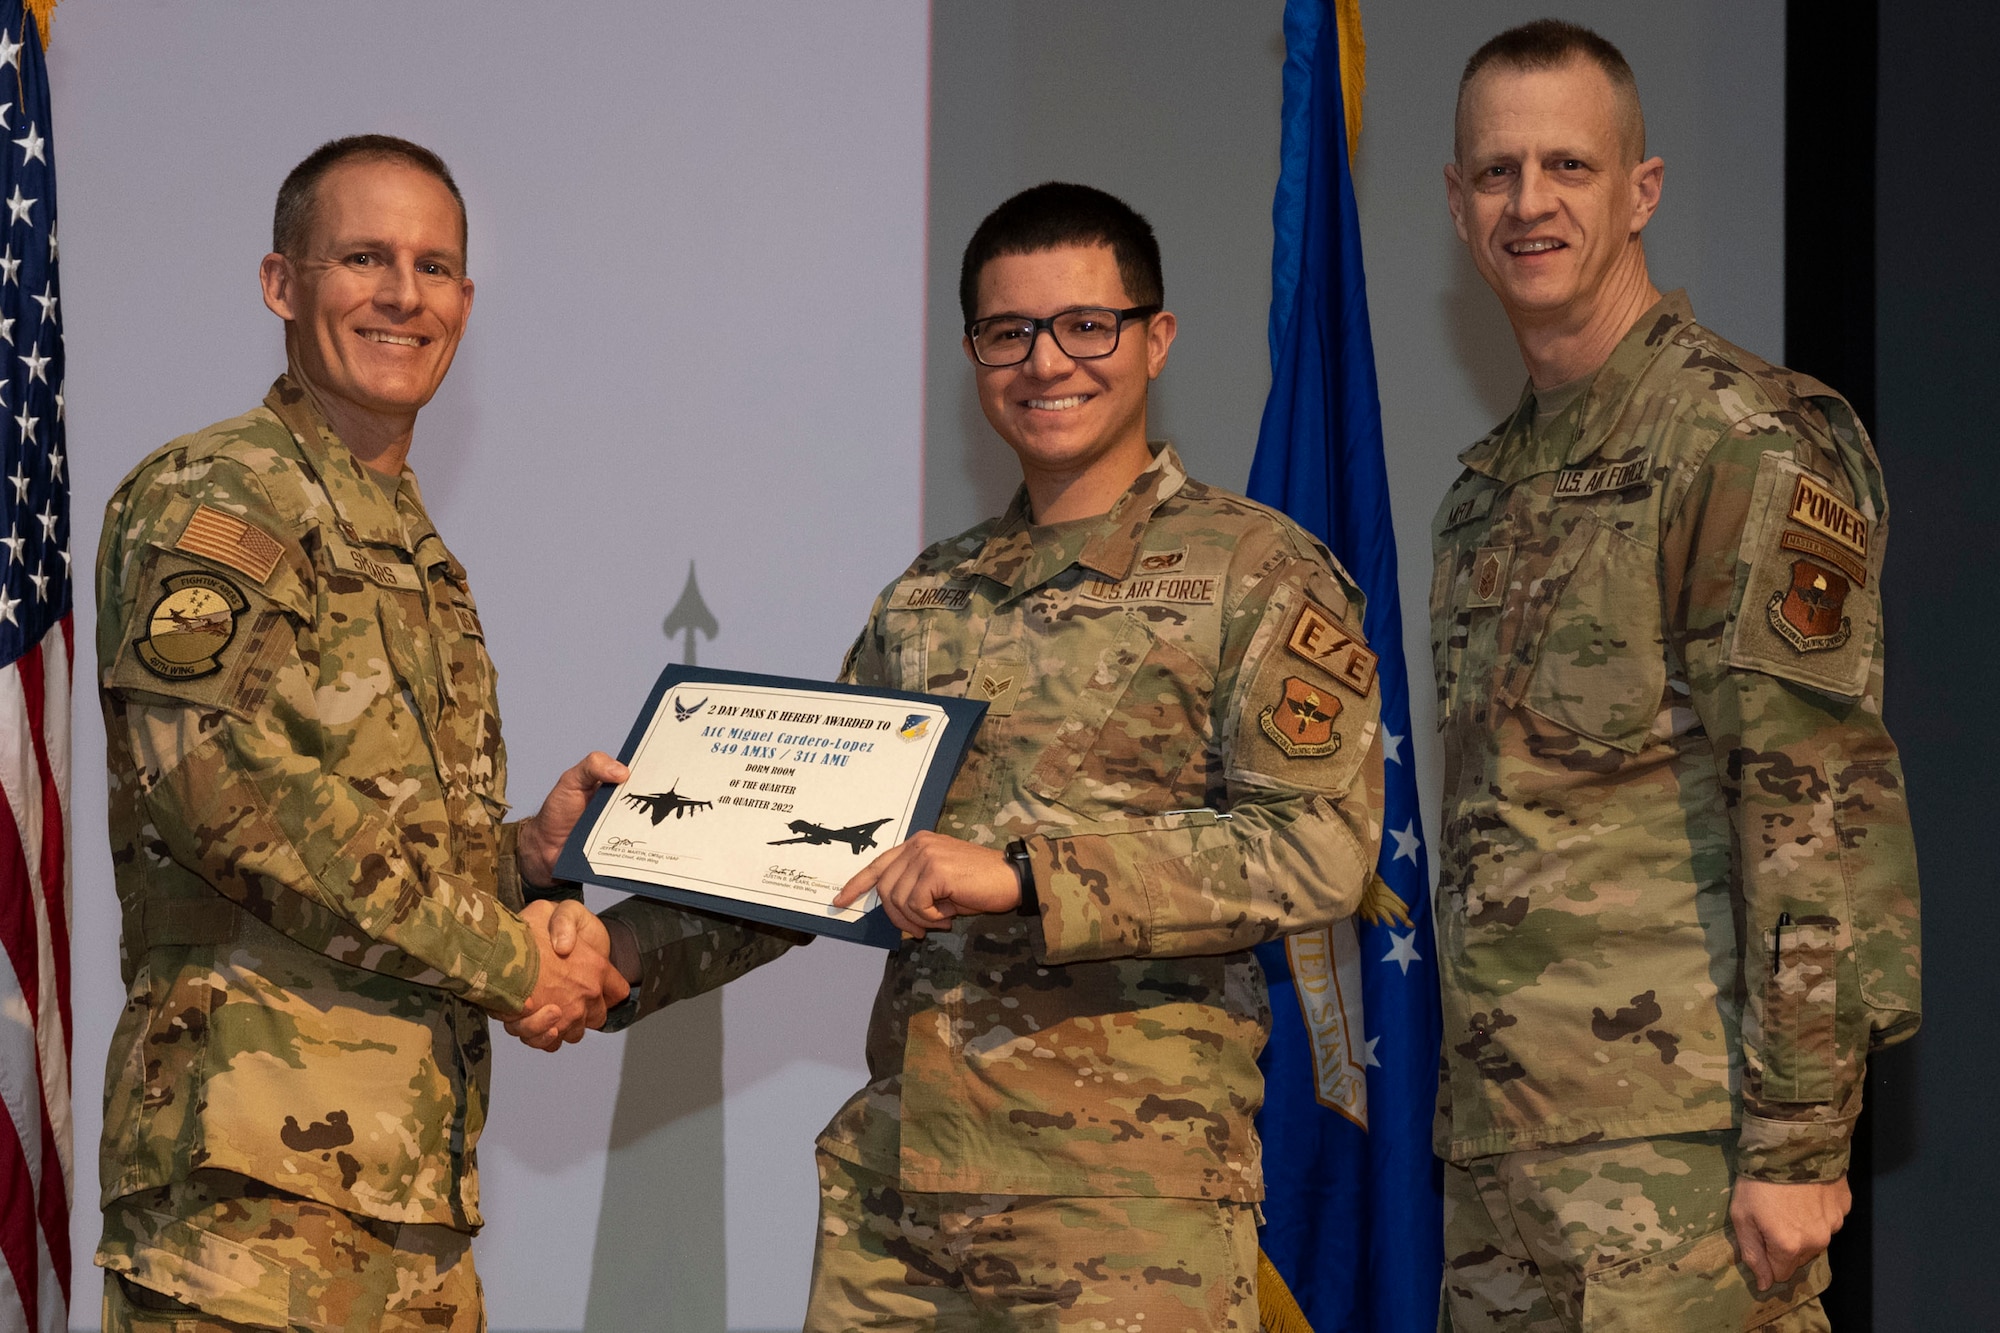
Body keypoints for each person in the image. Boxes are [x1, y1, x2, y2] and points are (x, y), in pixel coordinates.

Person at [533, 182, 1384, 1330]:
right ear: (974, 353)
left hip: (1124, 1214)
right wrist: (614, 947)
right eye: (1007, 333)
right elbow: (800, 864)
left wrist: (1028, 873)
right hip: (902, 1213)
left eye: (1086, 326)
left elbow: (1318, 847)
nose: (1046, 362)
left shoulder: (1257, 573)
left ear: (1155, 338)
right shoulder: (928, 599)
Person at [93, 135, 792, 1332]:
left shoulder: (412, 543)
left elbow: (370, 827)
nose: (402, 295)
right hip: (245, 1212)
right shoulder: (226, 495)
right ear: (282, 283)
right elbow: (213, 784)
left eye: (434, 266)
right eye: (363, 257)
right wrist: (517, 961)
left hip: (410, 1203)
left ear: (464, 302)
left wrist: (523, 855)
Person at [1429, 21, 1921, 1331]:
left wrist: (1802, 1139)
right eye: (1495, 173)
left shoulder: (1741, 444)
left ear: (1641, 189)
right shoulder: (1485, 494)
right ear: (1457, 202)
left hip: (1681, 1171)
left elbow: (1816, 808)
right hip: (1504, 1169)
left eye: (1569, 167)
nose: (1528, 203)